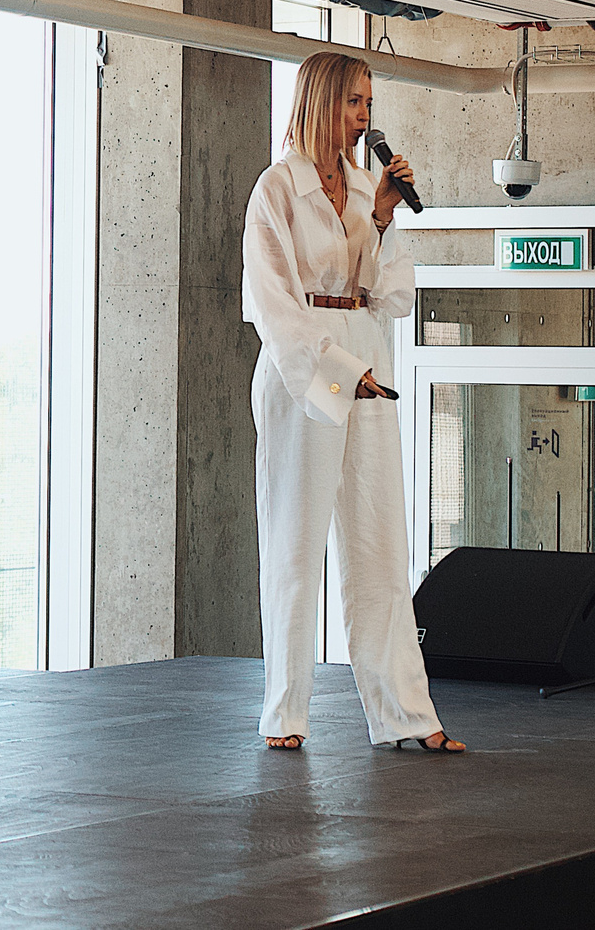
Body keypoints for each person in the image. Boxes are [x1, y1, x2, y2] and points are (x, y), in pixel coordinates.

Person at [241, 49, 463, 755]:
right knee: (295, 541)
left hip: (365, 347)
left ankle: (405, 712)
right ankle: (286, 712)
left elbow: (389, 294)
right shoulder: (276, 190)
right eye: (353, 102)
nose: (364, 117)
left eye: (368, 103)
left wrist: (387, 218)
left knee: (378, 538)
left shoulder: (369, 186)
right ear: (320, 103)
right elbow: (273, 305)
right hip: (303, 369)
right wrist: (337, 372)